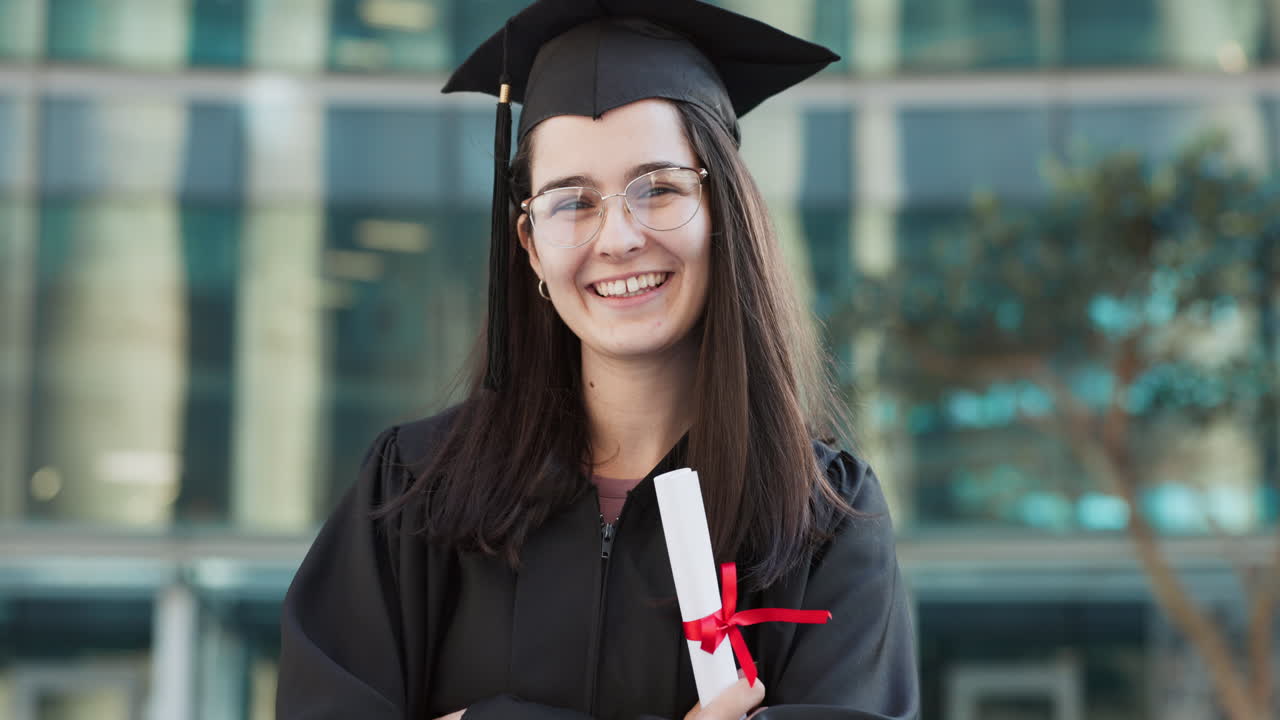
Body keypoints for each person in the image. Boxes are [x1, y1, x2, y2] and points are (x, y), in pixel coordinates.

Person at [276, 1, 919, 718]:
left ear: (724, 213)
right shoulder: (412, 495)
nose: (618, 238)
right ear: (529, 247)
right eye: (572, 202)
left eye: (661, 189)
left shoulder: (824, 523)